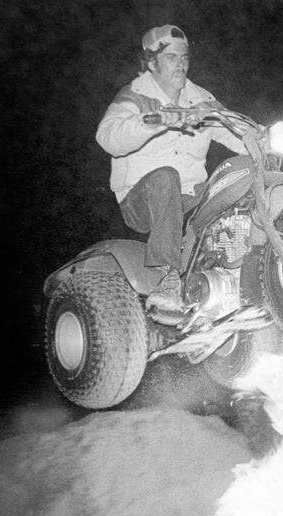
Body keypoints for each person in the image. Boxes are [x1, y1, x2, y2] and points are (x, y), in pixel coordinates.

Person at [96, 25, 248, 312]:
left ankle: (240, 268)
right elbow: (108, 137)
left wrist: (265, 137)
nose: (181, 63)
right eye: (171, 57)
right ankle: (166, 278)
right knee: (167, 176)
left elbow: (233, 128)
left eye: (185, 57)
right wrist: (159, 119)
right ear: (152, 63)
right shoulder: (134, 95)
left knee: (235, 177)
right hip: (141, 199)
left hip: (190, 197)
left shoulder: (200, 98)